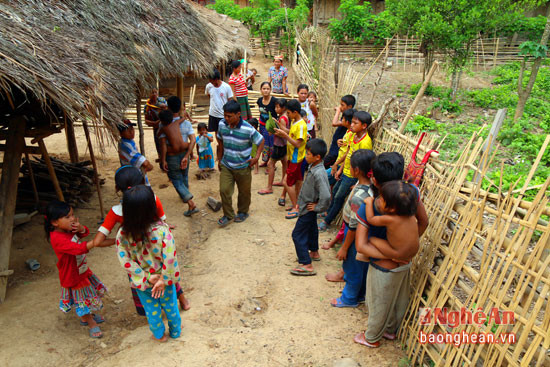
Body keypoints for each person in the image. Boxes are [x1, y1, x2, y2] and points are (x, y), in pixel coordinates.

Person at [353, 152, 429, 348]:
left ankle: (371, 338)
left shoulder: (373, 205)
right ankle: (390, 331)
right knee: (397, 301)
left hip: (382, 265)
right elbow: (423, 222)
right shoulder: (410, 194)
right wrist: (404, 250)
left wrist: (393, 253)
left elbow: (361, 245)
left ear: (375, 180)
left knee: (379, 304)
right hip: (406, 261)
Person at [93, 166, 190, 313]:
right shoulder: (153, 199)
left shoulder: (116, 212)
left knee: (141, 280)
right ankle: (181, 299)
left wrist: (121, 241)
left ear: (117, 188)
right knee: (166, 273)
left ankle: (151, 313)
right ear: (143, 182)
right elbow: (163, 220)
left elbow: (97, 242)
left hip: (136, 256)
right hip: (156, 249)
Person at [116, 185, 182, 342]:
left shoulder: (123, 234)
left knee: (151, 309)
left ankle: (159, 335)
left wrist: (145, 277)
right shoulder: (162, 230)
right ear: (152, 207)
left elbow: (125, 261)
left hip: (143, 282)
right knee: (171, 306)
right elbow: (170, 257)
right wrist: (162, 279)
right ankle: (175, 331)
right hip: (164, 280)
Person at [45, 200, 113, 339]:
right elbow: (77, 248)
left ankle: (85, 317)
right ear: (54, 222)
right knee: (81, 300)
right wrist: (96, 243)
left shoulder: (67, 230)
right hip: (72, 276)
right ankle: (91, 322)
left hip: (81, 270)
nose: (72, 219)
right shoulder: (57, 238)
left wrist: (81, 228)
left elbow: (83, 234)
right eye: (67, 217)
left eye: (72, 215)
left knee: (84, 297)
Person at [328, 149, 375, 307]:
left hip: (354, 234)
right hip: (365, 233)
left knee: (352, 267)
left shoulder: (359, 197)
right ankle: (360, 294)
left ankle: (348, 298)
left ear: (356, 170)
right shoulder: (370, 187)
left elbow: (354, 227)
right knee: (361, 266)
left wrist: (344, 247)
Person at [319, 111, 373, 231]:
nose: (352, 125)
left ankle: (327, 221)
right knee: (336, 191)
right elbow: (348, 153)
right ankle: (327, 212)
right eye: (352, 122)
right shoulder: (354, 136)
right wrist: (339, 168)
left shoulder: (365, 142)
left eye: (355, 123)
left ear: (364, 126)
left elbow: (365, 163)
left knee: (339, 197)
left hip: (352, 176)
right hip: (345, 172)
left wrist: (358, 183)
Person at [216, 100, 264, 227]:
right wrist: (219, 158)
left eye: (229, 116)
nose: (226, 118)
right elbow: (219, 140)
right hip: (227, 164)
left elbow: (261, 140)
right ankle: (228, 214)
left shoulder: (248, 129)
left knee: (244, 192)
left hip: (243, 166)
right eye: (225, 115)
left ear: (238, 114)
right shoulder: (222, 124)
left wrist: (256, 157)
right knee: (224, 190)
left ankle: (243, 212)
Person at [290, 139, 331, 276]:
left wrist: (319, 207)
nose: (305, 156)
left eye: (308, 154)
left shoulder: (318, 173)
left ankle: (306, 263)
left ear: (317, 157)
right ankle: (314, 252)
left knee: (297, 234)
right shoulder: (313, 167)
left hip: (309, 209)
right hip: (307, 206)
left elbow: (326, 195)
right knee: (312, 229)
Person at [158, 97, 199, 217]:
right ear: (180, 107)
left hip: (172, 156)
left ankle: (190, 201)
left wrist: (163, 159)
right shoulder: (184, 122)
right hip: (184, 152)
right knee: (184, 175)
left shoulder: (164, 125)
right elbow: (192, 140)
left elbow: (163, 146)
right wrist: (187, 155)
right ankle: (185, 195)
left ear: (168, 107)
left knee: (175, 179)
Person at [273, 99, 308, 220]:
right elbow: (291, 133)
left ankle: (295, 207)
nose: (287, 115)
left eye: (288, 112)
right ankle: (297, 204)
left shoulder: (301, 125)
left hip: (296, 159)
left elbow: (298, 143)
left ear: (295, 112)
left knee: (286, 182)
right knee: (297, 182)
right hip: (294, 158)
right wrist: (279, 126)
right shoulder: (295, 122)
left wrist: (285, 136)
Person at [258, 98, 289, 202]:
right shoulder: (285, 116)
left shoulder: (282, 119)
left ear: (283, 108)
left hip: (278, 145)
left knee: (270, 164)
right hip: (284, 145)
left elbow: (283, 133)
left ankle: (269, 187)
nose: (275, 109)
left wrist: (273, 132)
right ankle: (282, 181)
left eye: (277, 107)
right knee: (284, 163)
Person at [324, 95, 356, 168]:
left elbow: (334, 123)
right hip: (337, 145)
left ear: (350, 106)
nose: (340, 106)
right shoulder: (346, 115)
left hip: (337, 150)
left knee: (326, 165)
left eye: (342, 105)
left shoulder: (349, 118)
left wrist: (338, 111)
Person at [118, 119, 153, 184]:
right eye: (127, 130)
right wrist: (149, 166)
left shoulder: (129, 141)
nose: (131, 132)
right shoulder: (125, 145)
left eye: (132, 128)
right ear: (120, 133)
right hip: (133, 175)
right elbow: (144, 163)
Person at [205, 69, 233, 136]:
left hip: (223, 115)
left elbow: (230, 101)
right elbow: (209, 95)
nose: (210, 81)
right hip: (213, 114)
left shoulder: (226, 87)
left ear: (216, 79)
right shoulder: (209, 86)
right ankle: (220, 145)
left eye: (211, 80)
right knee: (216, 132)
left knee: (225, 132)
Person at [256, 82, 277, 166]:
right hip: (262, 125)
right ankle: (265, 160)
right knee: (264, 143)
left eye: (268, 89)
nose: (266, 91)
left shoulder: (274, 101)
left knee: (271, 143)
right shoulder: (259, 101)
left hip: (271, 127)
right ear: (261, 90)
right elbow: (260, 112)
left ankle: (271, 163)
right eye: (264, 89)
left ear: (270, 90)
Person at [144, 89, 167, 161]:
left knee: (165, 142)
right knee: (157, 142)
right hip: (156, 127)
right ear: (149, 94)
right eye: (152, 92)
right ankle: (160, 157)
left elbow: (168, 112)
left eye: (155, 92)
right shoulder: (147, 106)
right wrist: (154, 123)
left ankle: (165, 158)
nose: (154, 94)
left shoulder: (162, 101)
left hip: (165, 126)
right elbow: (146, 120)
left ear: (157, 94)